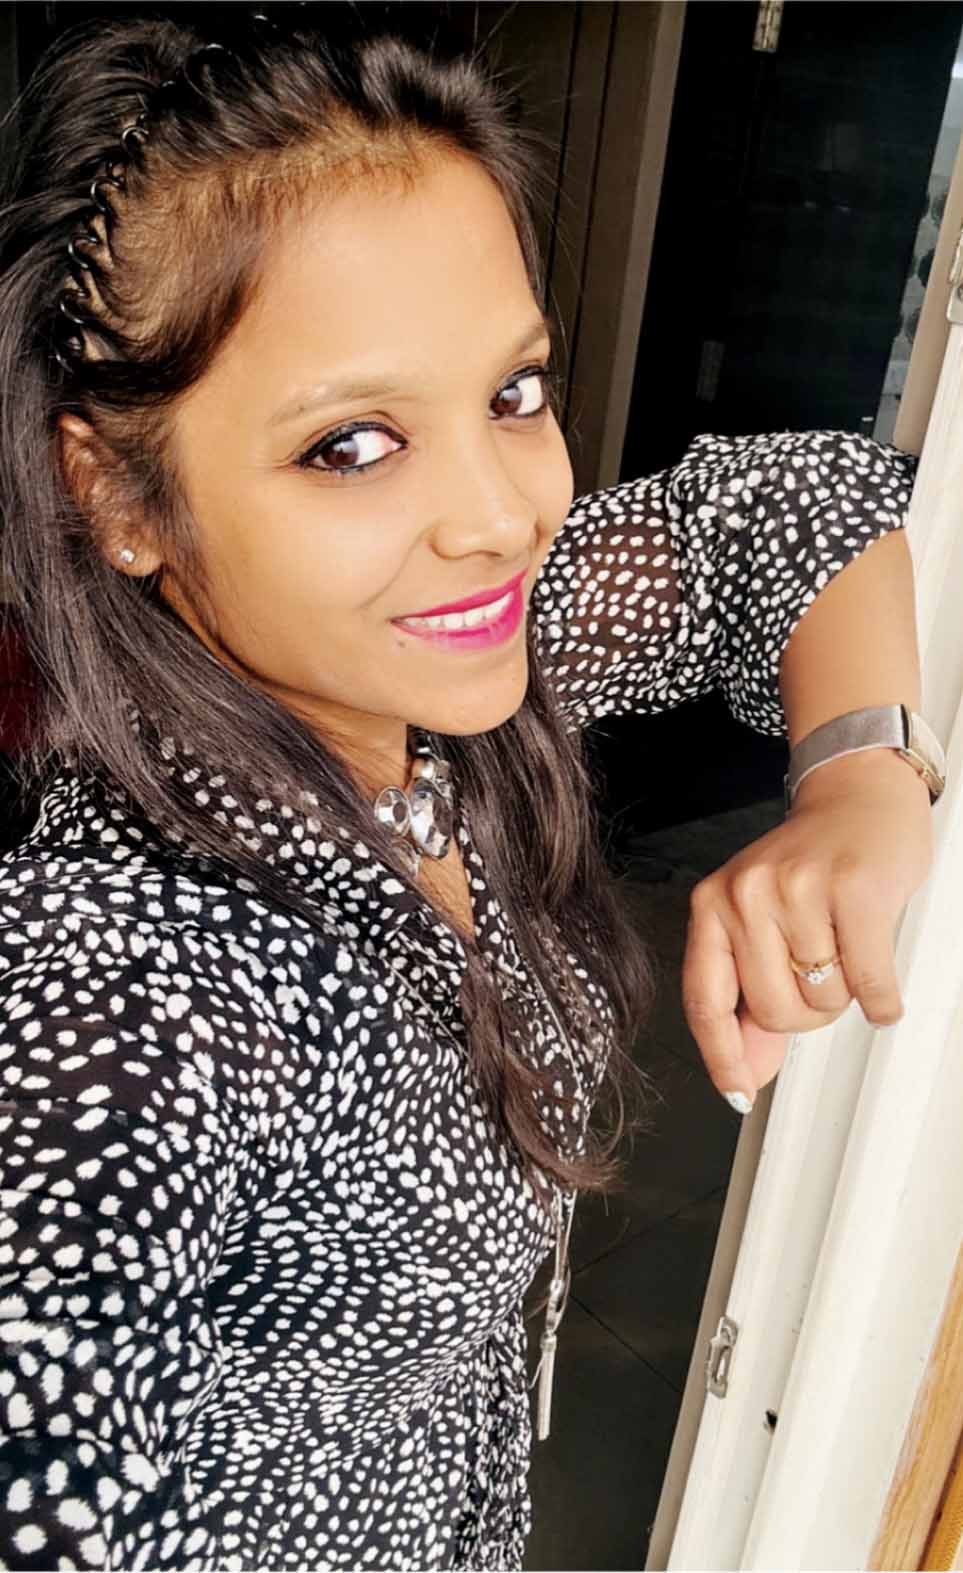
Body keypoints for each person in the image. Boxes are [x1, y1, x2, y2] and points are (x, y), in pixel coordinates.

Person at [0, 7, 939, 1570]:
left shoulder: (447, 678)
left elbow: (812, 498)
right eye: (353, 444)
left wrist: (859, 774)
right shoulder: (114, 999)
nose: (501, 516)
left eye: (513, 393)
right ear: (115, 493)